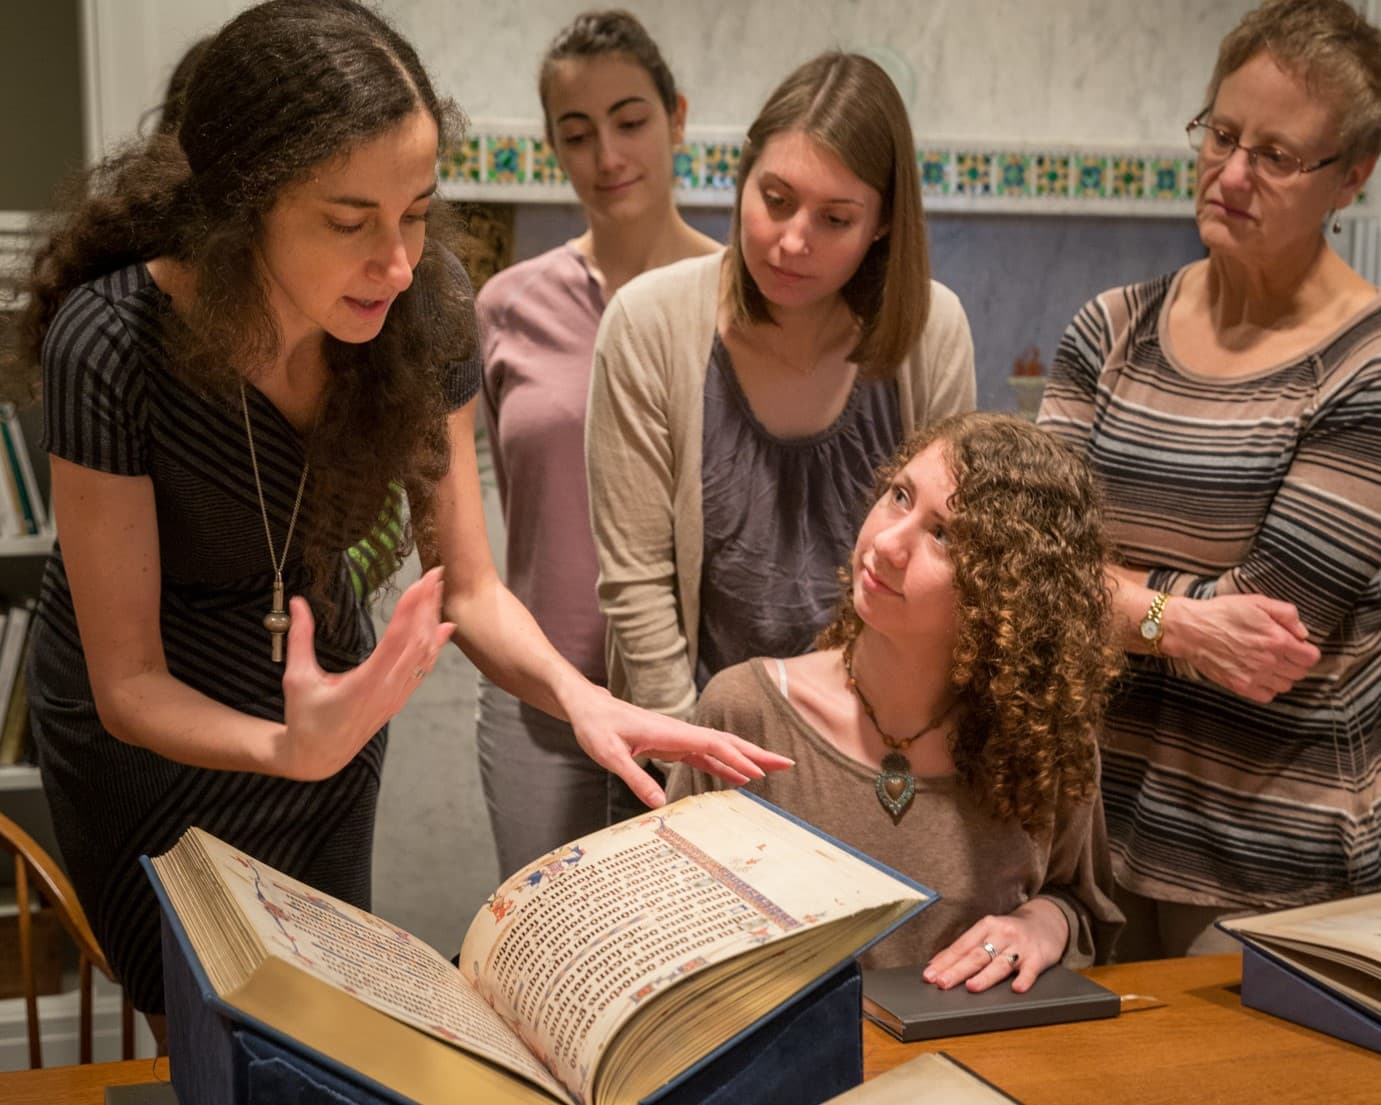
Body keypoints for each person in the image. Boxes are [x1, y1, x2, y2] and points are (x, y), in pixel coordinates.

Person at [0, 0, 786, 1026]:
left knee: (322, 1025)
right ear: (242, 207)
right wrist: (284, 745)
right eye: (349, 220)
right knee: (200, 1026)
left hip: (329, 709)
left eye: (415, 211)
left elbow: (470, 587)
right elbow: (129, 683)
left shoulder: (427, 311)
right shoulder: (112, 340)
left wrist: (575, 696)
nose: (399, 260)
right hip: (153, 751)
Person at [1039, 0, 1381, 959]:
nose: (1231, 174)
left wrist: (1104, 597)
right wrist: (1182, 620)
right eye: (1222, 134)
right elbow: (1022, 571)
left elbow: (1273, 631)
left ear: (1351, 175)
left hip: (1271, 857)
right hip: (1085, 829)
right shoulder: (1108, 330)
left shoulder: (1364, 365)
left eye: (1277, 155)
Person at [586, 52, 977, 733]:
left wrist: (894, 745)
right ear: (743, 181)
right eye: (775, 199)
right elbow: (638, 587)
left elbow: (949, 559)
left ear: (881, 223)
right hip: (686, 733)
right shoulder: (647, 325)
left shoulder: (929, 330)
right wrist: (691, 760)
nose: (792, 240)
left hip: (874, 739)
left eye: (834, 219)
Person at [668, 413, 1123, 990]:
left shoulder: (1044, 738)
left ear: (1009, 595)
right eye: (899, 496)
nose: (886, 542)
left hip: (981, 1064)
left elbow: (1080, 903)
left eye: (944, 535)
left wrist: (1045, 922)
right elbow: (675, 954)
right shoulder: (745, 713)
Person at [476, 10, 721, 878]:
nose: (608, 156)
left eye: (630, 120)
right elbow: (517, 507)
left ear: (677, 117)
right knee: (545, 966)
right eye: (577, 134)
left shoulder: (737, 297)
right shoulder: (506, 308)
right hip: (540, 703)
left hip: (697, 702)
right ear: (552, 146)